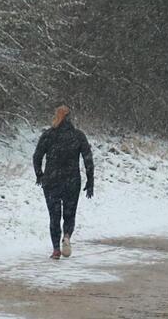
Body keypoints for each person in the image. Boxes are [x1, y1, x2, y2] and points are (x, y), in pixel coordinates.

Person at [33, 105, 94, 260]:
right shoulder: (78, 136)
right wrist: (90, 180)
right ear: (70, 118)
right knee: (69, 214)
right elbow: (88, 159)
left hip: (51, 181)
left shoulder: (48, 135)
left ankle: (55, 250)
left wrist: (39, 174)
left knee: (54, 217)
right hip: (71, 181)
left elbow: (37, 156)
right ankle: (66, 235)